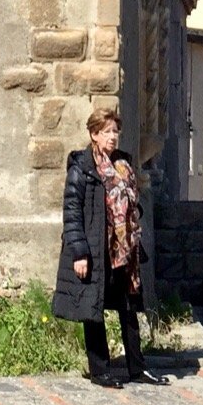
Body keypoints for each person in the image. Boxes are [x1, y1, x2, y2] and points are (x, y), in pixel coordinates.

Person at [53, 106, 164, 388]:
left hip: (123, 250)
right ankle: (100, 370)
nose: (113, 137)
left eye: (116, 131)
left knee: (128, 308)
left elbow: (130, 202)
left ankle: (137, 368)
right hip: (94, 248)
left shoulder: (123, 166)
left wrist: (132, 216)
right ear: (94, 134)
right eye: (106, 132)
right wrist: (79, 252)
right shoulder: (82, 168)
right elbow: (72, 211)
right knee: (94, 308)